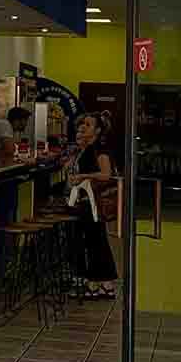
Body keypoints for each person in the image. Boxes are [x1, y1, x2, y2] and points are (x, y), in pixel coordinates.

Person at [63, 112, 119, 299]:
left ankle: (104, 284)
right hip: (87, 202)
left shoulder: (99, 150)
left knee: (97, 242)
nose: (82, 127)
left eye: (87, 125)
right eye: (82, 124)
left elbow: (106, 174)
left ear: (97, 130)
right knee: (94, 242)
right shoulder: (87, 149)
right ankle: (98, 284)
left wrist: (83, 177)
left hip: (92, 203)